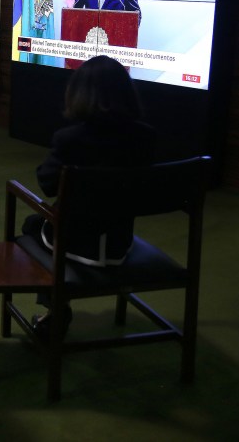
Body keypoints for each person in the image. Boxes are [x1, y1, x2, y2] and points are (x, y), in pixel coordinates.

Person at [24, 55, 155, 339]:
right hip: (121, 243)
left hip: (74, 242)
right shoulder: (146, 138)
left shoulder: (70, 139)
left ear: (79, 93)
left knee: (31, 225)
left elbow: (47, 184)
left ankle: (54, 309)